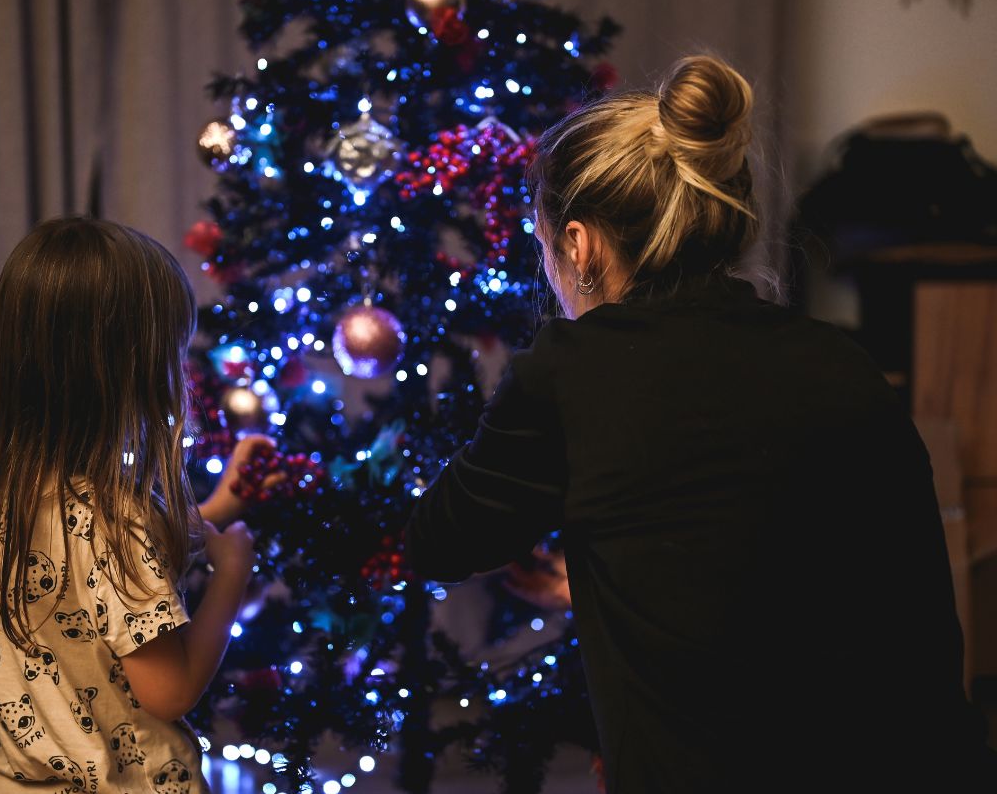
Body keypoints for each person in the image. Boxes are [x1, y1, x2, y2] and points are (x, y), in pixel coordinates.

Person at [405, 56, 997, 793]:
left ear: (580, 245)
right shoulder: (838, 361)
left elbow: (437, 538)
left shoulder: (570, 373)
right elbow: (846, 591)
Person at [0, 217, 271, 793]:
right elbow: (170, 691)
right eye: (172, 352)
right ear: (128, 372)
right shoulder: (113, 519)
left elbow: (84, 582)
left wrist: (218, 508)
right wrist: (232, 577)